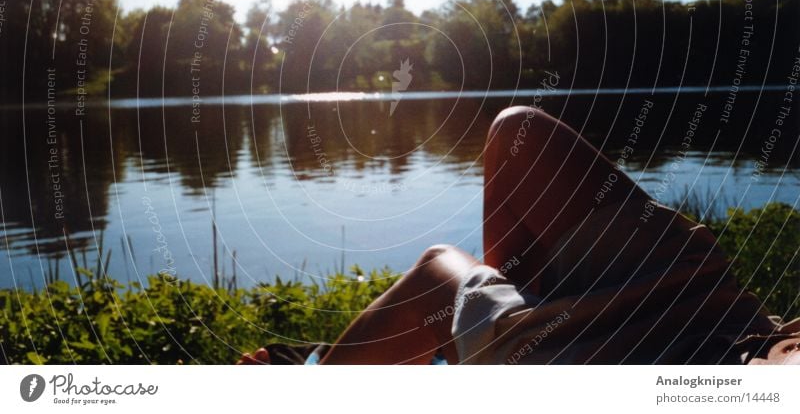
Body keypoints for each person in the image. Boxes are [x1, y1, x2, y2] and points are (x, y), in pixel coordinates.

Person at [238, 106, 800, 365]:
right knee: (518, 132)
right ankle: (488, 339)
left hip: (667, 364)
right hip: (736, 329)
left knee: (440, 270)